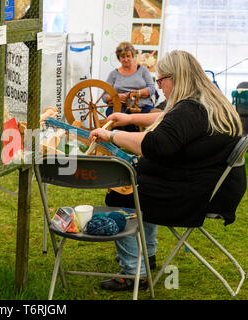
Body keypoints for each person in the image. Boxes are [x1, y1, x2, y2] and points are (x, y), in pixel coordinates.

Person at [89, 50, 246, 291]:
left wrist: (111, 135)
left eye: (161, 80)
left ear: (177, 77)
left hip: (194, 195)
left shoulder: (191, 108)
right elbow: (172, 122)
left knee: (122, 190)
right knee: (140, 179)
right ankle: (147, 256)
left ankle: (134, 272)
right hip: (215, 188)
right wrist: (131, 120)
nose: (159, 86)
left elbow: (155, 145)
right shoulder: (209, 101)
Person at [103, 42, 156, 132]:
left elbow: (151, 89)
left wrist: (137, 93)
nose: (126, 59)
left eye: (128, 56)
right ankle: (118, 142)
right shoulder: (113, 74)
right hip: (120, 107)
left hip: (142, 106)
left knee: (148, 118)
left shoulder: (143, 70)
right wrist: (117, 96)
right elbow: (104, 97)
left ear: (133, 56)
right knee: (116, 117)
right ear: (119, 58)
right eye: (123, 57)